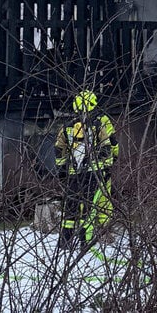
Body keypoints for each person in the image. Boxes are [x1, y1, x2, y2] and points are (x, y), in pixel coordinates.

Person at [55, 90, 118, 248]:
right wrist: (108, 166)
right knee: (92, 205)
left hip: (73, 174)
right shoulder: (100, 124)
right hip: (94, 173)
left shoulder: (67, 127)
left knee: (70, 207)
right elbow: (109, 145)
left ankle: (65, 241)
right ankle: (87, 240)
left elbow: (59, 149)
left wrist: (62, 170)